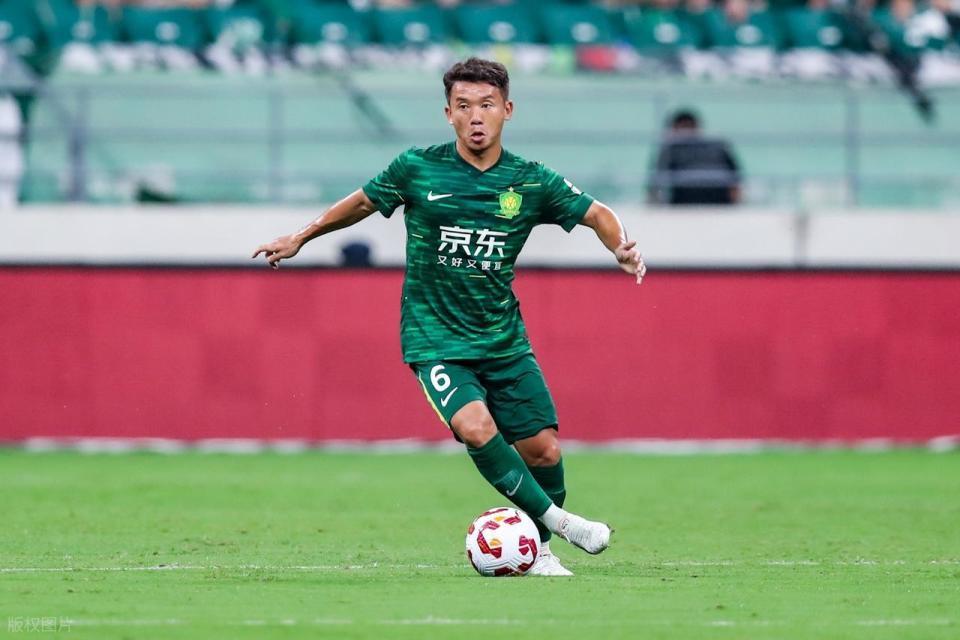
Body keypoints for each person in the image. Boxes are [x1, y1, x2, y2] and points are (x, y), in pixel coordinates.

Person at [253, 58, 645, 577]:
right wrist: (301, 236)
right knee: (476, 427)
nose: (475, 116)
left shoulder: (530, 181)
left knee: (544, 452)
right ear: (448, 114)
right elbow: (362, 203)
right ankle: (563, 524)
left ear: (507, 110)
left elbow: (596, 212)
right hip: (434, 337)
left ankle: (541, 550)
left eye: (486, 105)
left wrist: (620, 246)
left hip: (503, 340)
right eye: (463, 106)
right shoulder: (417, 168)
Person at [648, 109, 742, 206]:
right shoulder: (670, 150)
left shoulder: (718, 146)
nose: (685, 133)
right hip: (685, 205)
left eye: (686, 127)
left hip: (715, 203)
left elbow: (735, 180)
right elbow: (656, 182)